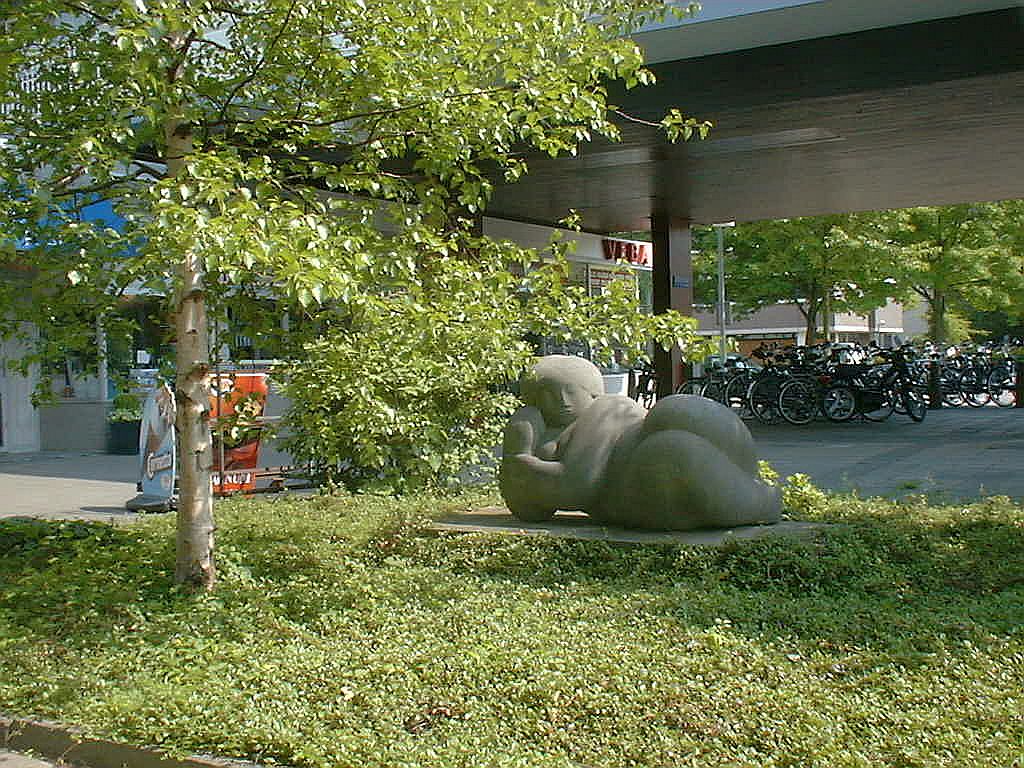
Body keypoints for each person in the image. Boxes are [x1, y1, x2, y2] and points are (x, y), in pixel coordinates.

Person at [499, 355, 781, 530]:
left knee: (670, 438)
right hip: (643, 506)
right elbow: (529, 511)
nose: (558, 402)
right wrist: (519, 445)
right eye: (542, 395)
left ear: (593, 392)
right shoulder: (540, 430)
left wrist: (523, 462)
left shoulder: (608, 410)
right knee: (667, 449)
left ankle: (760, 501)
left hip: (657, 482)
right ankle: (753, 499)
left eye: (569, 391)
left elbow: (576, 486)